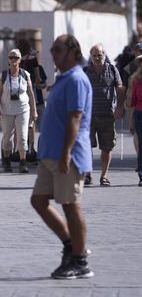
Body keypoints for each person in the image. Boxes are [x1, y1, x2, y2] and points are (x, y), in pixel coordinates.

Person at [31, 35, 94, 279]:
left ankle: (80, 261)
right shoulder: (62, 79)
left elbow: (75, 118)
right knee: (39, 201)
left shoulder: (77, 79)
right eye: (52, 49)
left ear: (72, 51)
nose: (53, 53)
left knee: (70, 205)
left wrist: (66, 153)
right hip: (51, 154)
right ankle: (71, 245)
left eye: (57, 49)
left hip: (67, 155)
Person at [83, 44, 124, 186]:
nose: (97, 58)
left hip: (107, 115)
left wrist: (119, 107)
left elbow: (119, 88)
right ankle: (87, 174)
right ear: (90, 56)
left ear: (104, 55)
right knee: (86, 146)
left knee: (107, 147)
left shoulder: (112, 69)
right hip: (88, 116)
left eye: (99, 55)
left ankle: (104, 176)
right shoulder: (85, 71)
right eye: (94, 55)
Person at [0, 49, 37, 173]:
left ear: (20, 60)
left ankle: (22, 162)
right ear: (8, 59)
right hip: (7, 111)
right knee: (7, 138)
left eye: (16, 58)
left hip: (23, 109)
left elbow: (31, 93)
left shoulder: (25, 75)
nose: (13, 60)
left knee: (23, 137)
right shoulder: (3, 76)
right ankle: (7, 160)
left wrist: (34, 110)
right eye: (11, 57)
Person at [17, 38, 42, 157]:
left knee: (18, 120)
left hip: (18, 92)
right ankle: (31, 148)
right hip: (30, 90)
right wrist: (37, 82)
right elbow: (37, 77)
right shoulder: (33, 60)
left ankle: (17, 149)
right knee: (31, 120)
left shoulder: (15, 59)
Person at [128, 55, 142, 185]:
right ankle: (141, 175)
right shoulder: (136, 81)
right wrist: (130, 121)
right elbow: (133, 102)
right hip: (139, 114)